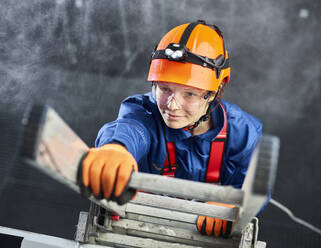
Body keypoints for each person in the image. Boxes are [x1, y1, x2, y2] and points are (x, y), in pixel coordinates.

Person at [81, 20, 262, 238]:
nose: (171, 105)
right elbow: (130, 127)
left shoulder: (243, 135)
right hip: (134, 233)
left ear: (217, 89)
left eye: (189, 94)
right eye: (164, 88)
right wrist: (117, 148)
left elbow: (251, 189)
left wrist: (233, 208)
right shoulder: (144, 111)